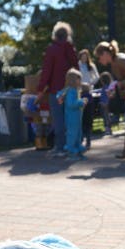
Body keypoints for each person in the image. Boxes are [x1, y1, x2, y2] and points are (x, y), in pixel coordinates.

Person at [37, 22, 78, 157]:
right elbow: (76, 68)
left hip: (56, 90)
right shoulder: (71, 49)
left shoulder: (52, 49)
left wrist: (41, 88)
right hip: (71, 89)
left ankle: (60, 147)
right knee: (71, 118)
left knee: (58, 119)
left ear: (55, 35)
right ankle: (71, 145)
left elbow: (47, 71)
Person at [56, 68, 86, 159]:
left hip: (75, 117)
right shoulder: (71, 91)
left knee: (77, 133)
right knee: (72, 134)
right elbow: (71, 104)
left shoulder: (71, 90)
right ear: (73, 80)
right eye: (78, 79)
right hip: (72, 117)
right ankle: (71, 151)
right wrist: (81, 102)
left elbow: (60, 95)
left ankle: (76, 149)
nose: (80, 81)